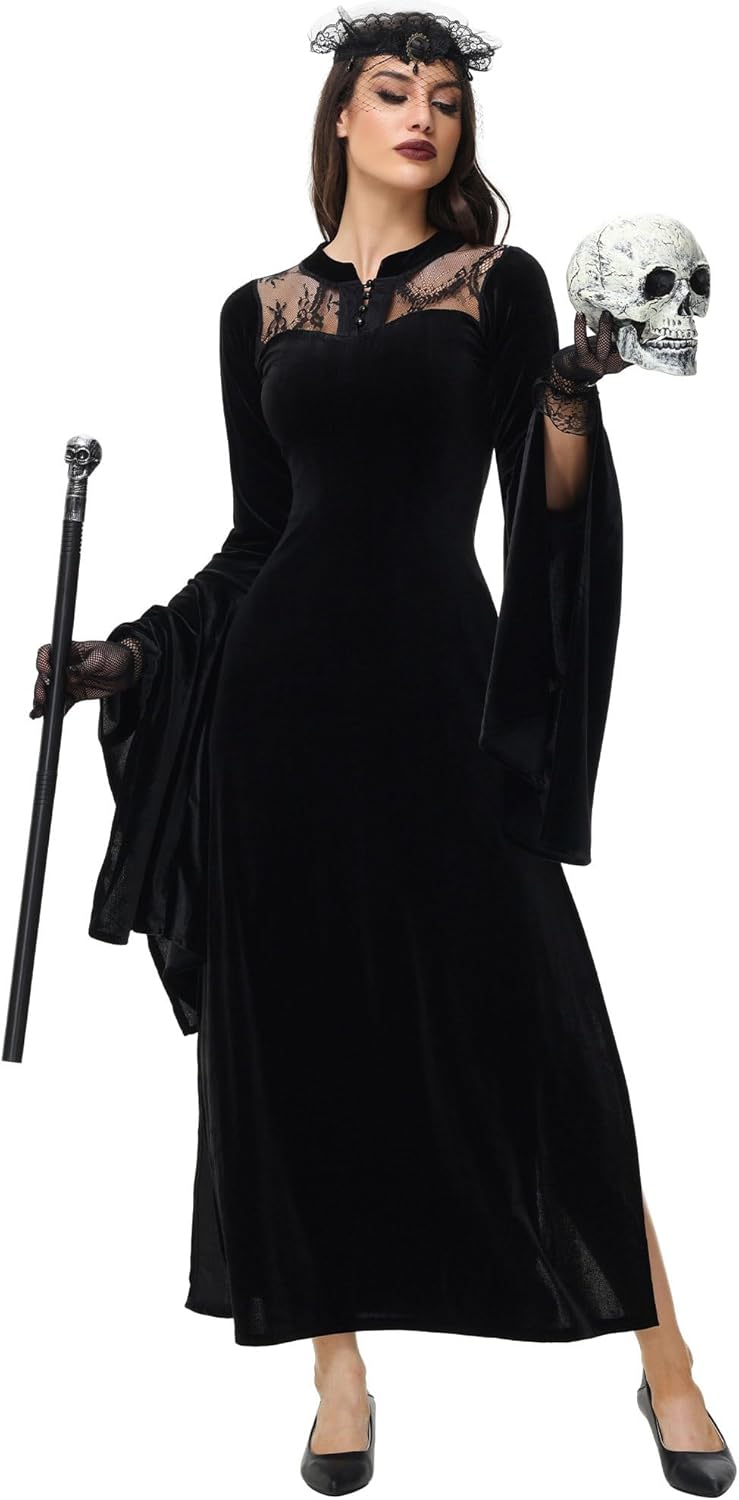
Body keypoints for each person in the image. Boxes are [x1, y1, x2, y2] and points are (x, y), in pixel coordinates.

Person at [31, 6, 734, 1495]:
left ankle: (667, 1360)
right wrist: (130, 658)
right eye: (392, 90)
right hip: (277, 716)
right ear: (341, 118)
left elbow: (549, 493)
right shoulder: (256, 310)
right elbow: (257, 538)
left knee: (541, 1024)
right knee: (297, 1038)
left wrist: (566, 396)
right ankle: (336, 1371)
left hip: (441, 696)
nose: (424, 115)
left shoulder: (499, 284)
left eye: (446, 100)